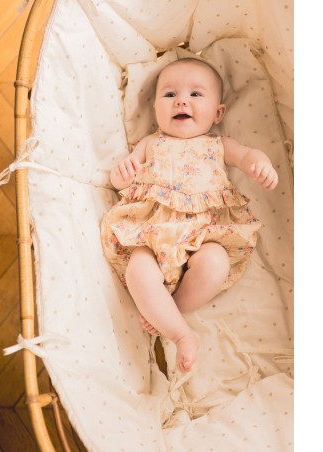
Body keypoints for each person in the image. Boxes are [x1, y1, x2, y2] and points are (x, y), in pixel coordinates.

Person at [100, 58, 278, 373]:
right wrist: (121, 175)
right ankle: (181, 333)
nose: (181, 101)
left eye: (196, 94)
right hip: (151, 233)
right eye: (170, 95)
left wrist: (259, 163)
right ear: (155, 109)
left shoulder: (219, 144)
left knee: (216, 262)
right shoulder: (150, 143)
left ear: (218, 113)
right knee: (139, 270)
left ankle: (172, 311)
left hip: (205, 233)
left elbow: (247, 155)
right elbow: (120, 180)